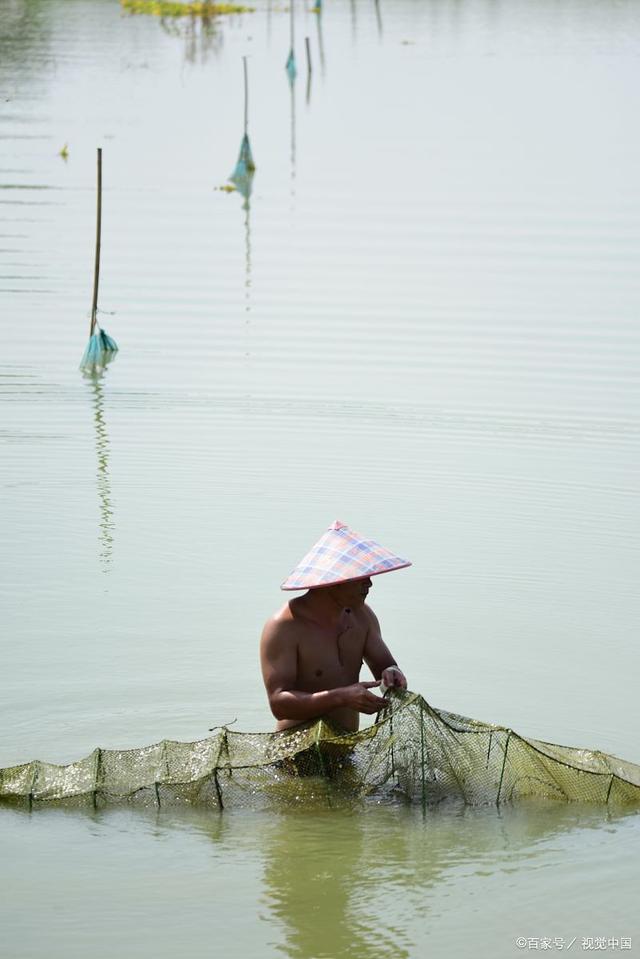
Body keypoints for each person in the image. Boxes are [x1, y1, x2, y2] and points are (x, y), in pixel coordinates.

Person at [260, 520, 411, 733]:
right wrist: (341, 697)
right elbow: (279, 704)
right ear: (335, 580)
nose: (369, 584)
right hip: (295, 751)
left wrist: (392, 674)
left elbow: (384, 667)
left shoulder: (362, 616)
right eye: (361, 577)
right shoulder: (285, 626)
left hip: (347, 746)